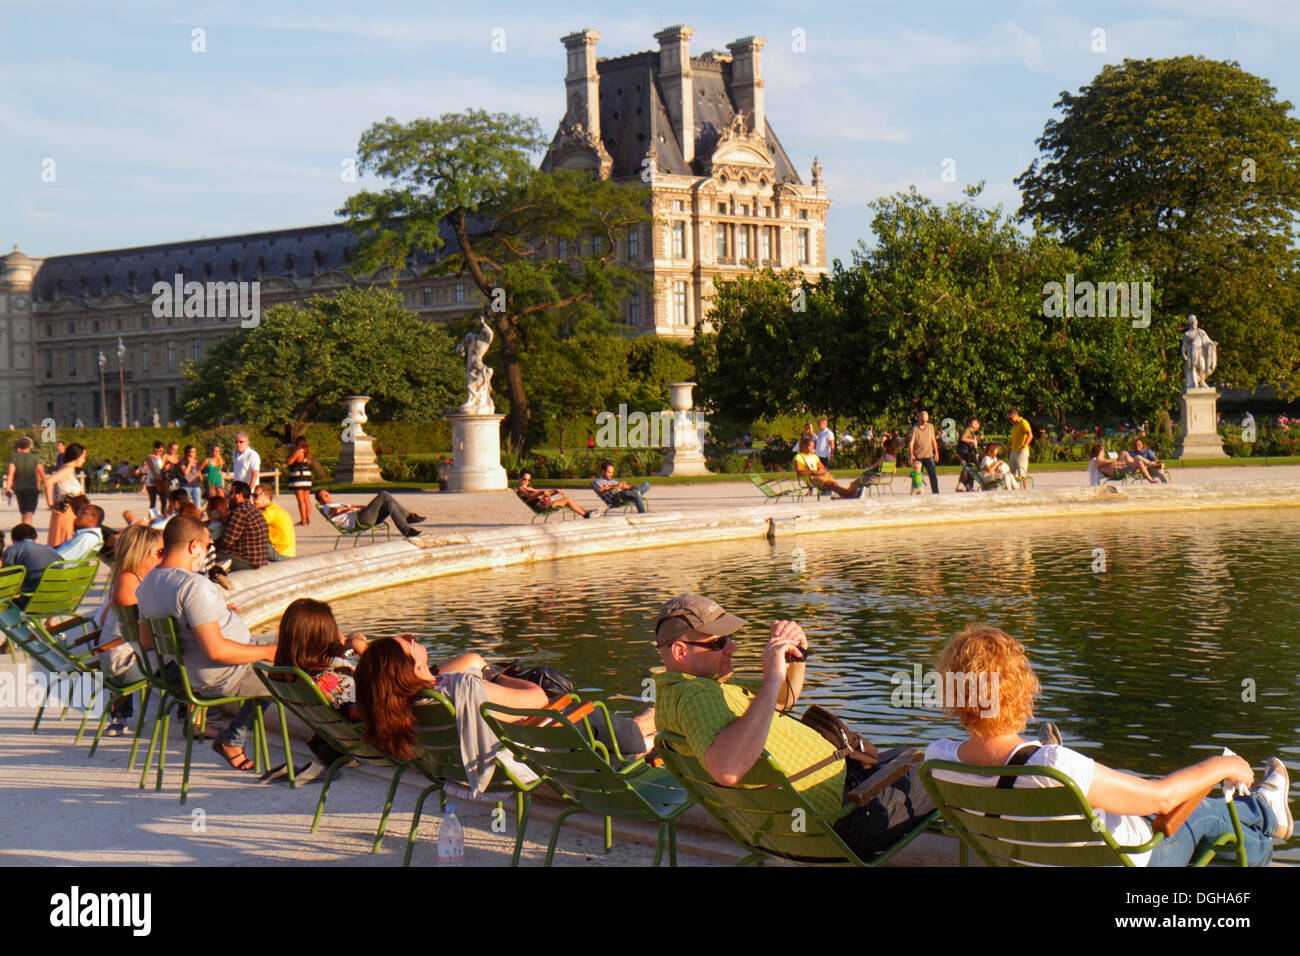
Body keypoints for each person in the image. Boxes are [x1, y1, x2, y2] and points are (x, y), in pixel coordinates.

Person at [925, 624, 1291, 866]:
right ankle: (1267, 809)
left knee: (1128, 789)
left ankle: (1263, 821)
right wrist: (1222, 766)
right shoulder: (1053, 763)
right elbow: (1163, 799)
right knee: (1208, 812)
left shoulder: (937, 760)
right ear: (1021, 691)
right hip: (1129, 859)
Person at [652, 594, 935, 857]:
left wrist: (795, 657)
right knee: (942, 771)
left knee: (904, 755)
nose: (733, 647)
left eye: (730, 638)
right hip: (839, 823)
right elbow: (727, 769)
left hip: (793, 828)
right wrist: (774, 674)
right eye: (718, 643)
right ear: (680, 652)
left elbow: (781, 698)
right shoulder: (697, 697)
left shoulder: (697, 688)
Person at [135, 515, 276, 771]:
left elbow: (146, 640)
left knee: (294, 645)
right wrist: (265, 651)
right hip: (220, 674)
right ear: (193, 546)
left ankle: (233, 738)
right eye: (207, 545)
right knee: (294, 670)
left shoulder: (147, 584)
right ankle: (235, 740)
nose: (207, 552)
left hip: (192, 669)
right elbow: (216, 650)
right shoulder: (192, 585)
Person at [354, 635, 549, 761]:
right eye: (409, 641)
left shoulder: (405, 701)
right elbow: (538, 699)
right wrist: (495, 676)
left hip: (452, 773)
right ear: (418, 668)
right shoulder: (461, 687)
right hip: (505, 768)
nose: (413, 638)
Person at [92, 524, 163, 736]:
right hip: (122, 668)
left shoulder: (122, 579)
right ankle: (193, 717)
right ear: (143, 554)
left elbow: (103, 620)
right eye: (160, 553)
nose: (164, 557)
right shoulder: (131, 583)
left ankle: (120, 715)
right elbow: (146, 631)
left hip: (114, 661)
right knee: (190, 651)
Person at [314, 488, 426, 538]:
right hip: (360, 520)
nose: (328, 496)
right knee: (384, 494)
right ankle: (408, 516)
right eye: (324, 496)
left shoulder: (337, 503)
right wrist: (352, 509)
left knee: (390, 505)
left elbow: (349, 508)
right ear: (321, 500)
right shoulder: (327, 507)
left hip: (363, 517)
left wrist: (357, 507)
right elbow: (336, 511)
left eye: (327, 493)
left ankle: (407, 530)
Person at [214, 481, 270, 571]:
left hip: (248, 562)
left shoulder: (240, 511)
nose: (228, 496)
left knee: (212, 555)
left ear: (239, 495)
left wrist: (212, 544)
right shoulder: (253, 510)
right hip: (260, 559)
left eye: (231, 493)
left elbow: (228, 541)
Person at [45, 442, 87, 547]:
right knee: (65, 539)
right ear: (77, 457)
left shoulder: (67, 468)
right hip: (66, 509)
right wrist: (50, 504)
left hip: (69, 508)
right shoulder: (68, 469)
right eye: (83, 457)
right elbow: (48, 481)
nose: (84, 460)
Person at [793, 438, 860, 498]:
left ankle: (847, 494)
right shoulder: (798, 457)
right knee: (832, 485)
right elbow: (799, 472)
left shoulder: (814, 456)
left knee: (834, 484)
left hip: (819, 475)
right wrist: (814, 472)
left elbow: (822, 467)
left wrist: (822, 471)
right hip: (811, 478)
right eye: (812, 447)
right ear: (805, 447)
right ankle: (850, 493)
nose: (813, 449)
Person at [4, 522, 60, 593]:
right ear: (35, 538)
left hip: (30, 596)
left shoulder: (13, 549)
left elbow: (6, 578)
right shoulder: (51, 550)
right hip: (57, 594)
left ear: (14, 540)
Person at [517, 469, 593, 519]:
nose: (526, 481)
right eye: (524, 479)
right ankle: (585, 515)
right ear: (519, 478)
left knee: (566, 501)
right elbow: (529, 496)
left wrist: (555, 491)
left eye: (528, 480)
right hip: (540, 507)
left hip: (542, 504)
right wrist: (541, 492)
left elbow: (544, 495)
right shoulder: (521, 489)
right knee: (567, 500)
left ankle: (586, 511)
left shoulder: (530, 488)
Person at [5, 437, 47, 523]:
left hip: (19, 487)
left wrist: (8, 488)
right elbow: (42, 473)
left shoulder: (14, 457)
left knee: (23, 511)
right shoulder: (35, 457)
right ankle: (26, 532)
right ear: (30, 446)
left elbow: (11, 474)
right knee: (29, 512)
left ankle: (23, 530)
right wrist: (47, 486)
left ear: (19, 446)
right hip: (32, 488)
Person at [252, 483, 295, 561]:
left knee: (249, 540)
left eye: (256, 496)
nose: (253, 499)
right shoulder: (274, 508)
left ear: (267, 497)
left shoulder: (270, 512)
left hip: (280, 552)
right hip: (287, 551)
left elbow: (250, 524)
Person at [907, 410, 940, 494]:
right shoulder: (915, 428)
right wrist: (911, 454)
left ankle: (936, 493)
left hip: (929, 455)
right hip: (918, 457)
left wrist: (936, 452)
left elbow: (933, 440)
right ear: (919, 419)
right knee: (917, 478)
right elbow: (911, 442)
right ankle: (916, 493)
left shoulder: (930, 427)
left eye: (926, 421)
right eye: (923, 421)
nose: (925, 423)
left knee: (933, 476)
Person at [285, 436, 314, 526]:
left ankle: (303, 519)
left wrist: (290, 453)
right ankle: (308, 518)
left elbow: (289, 462)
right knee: (307, 499)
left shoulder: (298, 452)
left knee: (301, 500)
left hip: (298, 478)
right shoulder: (307, 452)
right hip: (307, 477)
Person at [955, 417, 980, 492]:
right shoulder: (968, 429)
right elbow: (963, 438)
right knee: (973, 468)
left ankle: (966, 486)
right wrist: (973, 440)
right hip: (967, 454)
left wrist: (976, 440)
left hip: (967, 453)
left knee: (967, 469)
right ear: (970, 423)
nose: (977, 424)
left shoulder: (971, 431)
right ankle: (968, 485)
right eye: (975, 423)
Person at [1008, 408, 1033, 481]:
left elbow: (1030, 435)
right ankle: (1015, 488)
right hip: (1014, 451)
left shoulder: (1023, 422)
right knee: (1012, 473)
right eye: (1009, 418)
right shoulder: (1014, 425)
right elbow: (1014, 436)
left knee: (1022, 473)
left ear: (1016, 415)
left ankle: (1025, 490)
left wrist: (1023, 446)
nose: (1010, 420)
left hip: (1021, 451)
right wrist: (1010, 445)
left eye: (1011, 418)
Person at [143, 441, 167, 514]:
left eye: (162, 451)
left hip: (159, 481)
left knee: (163, 499)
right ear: (155, 449)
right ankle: (152, 516)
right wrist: (159, 477)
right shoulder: (149, 457)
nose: (160, 452)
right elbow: (153, 470)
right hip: (151, 481)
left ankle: (163, 514)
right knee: (153, 501)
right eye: (159, 450)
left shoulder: (160, 457)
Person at [179, 445, 203, 509]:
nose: (194, 453)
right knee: (186, 505)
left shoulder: (196, 462)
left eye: (195, 452)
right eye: (192, 452)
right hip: (186, 485)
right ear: (188, 453)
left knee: (198, 505)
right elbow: (185, 473)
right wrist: (190, 464)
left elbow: (198, 473)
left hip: (195, 485)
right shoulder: (182, 461)